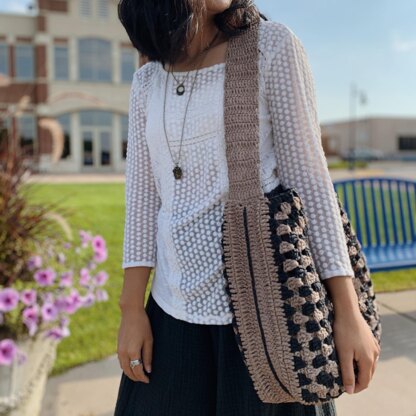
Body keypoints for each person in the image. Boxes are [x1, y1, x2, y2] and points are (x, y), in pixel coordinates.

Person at [114, 1, 381, 415]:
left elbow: (310, 182)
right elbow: (143, 200)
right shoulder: (148, 79)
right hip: (172, 316)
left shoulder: (270, 46)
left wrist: (347, 312)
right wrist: (132, 310)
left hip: (271, 314)